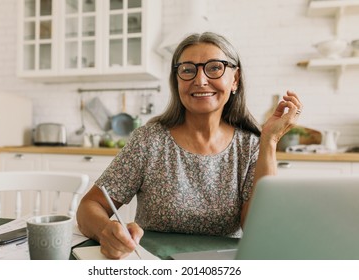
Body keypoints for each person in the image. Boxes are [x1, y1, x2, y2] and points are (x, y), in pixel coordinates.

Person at [76, 32, 302, 259]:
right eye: (187, 70)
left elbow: (259, 230)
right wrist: (106, 231)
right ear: (177, 81)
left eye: (214, 68)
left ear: (235, 79)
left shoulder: (250, 147)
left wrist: (269, 142)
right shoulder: (149, 140)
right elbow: (90, 206)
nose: (200, 80)